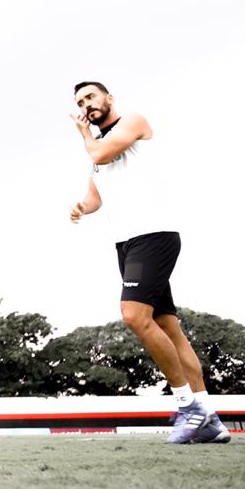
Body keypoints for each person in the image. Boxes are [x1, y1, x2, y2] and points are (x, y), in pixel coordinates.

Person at [69, 81, 229, 445]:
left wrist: (84, 135)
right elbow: (94, 197)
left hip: (152, 235)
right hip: (127, 244)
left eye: (90, 97)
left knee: (133, 315)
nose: (86, 105)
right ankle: (210, 418)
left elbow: (99, 155)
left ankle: (189, 407)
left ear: (108, 98)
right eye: (79, 102)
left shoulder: (131, 122)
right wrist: (80, 207)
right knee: (168, 327)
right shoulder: (99, 148)